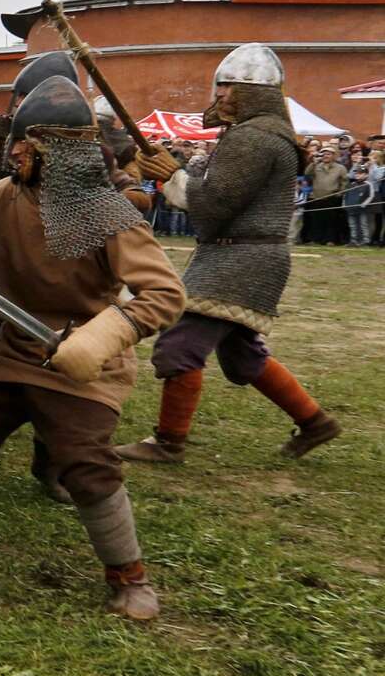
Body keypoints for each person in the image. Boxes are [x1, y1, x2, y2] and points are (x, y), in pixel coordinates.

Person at [0, 76, 184, 620]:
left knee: (85, 463)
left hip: (84, 359)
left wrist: (100, 335)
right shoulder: (2, 197)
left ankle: (130, 577)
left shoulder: (106, 211)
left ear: (61, 150)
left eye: (28, 144)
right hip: (14, 349)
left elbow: (165, 293)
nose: (15, 152)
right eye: (17, 142)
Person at [121, 44, 341, 464]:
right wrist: (168, 167)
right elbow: (206, 183)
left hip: (240, 259)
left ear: (255, 92)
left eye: (228, 87)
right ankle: (316, 422)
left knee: (180, 343)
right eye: (219, 86)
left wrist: (172, 175)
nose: (219, 94)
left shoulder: (255, 137)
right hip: (241, 256)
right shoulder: (251, 135)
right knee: (242, 355)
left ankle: (168, 443)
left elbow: (215, 201)